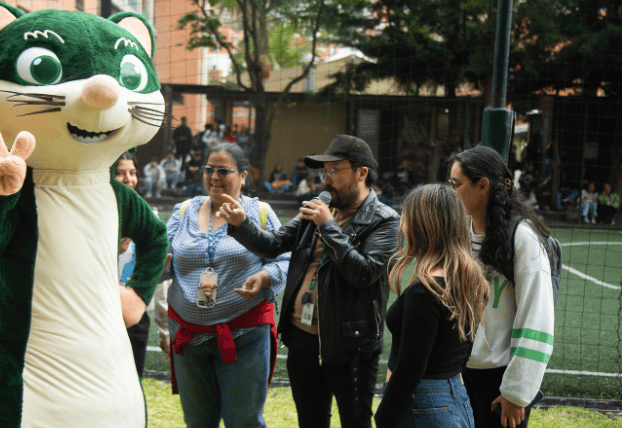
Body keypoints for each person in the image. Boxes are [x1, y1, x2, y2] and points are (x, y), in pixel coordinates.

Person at [218, 134, 400, 428]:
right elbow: (272, 245)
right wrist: (242, 225)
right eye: (323, 172)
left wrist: (327, 226)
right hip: (302, 339)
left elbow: (364, 273)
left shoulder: (385, 220)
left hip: (350, 345)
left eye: (334, 171)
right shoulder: (316, 209)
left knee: (355, 422)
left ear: (361, 173)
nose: (326, 180)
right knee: (310, 421)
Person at [164, 142, 289, 428]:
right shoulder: (184, 211)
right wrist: (160, 267)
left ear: (244, 176)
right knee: (197, 422)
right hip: (188, 336)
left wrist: (264, 277)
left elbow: (285, 259)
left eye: (224, 170)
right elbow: (164, 259)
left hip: (244, 336)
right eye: (209, 169)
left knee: (243, 421)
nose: (214, 176)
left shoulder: (259, 212)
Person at [449, 146, 554, 428]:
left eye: (456, 184)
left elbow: (538, 317)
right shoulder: (459, 231)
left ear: (482, 185)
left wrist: (517, 393)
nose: (451, 192)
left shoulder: (523, 238)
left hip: (501, 382)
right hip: (459, 376)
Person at [374, 184, 489, 428]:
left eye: (406, 220)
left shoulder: (425, 292)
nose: (402, 228)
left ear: (422, 227)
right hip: (456, 397)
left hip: (422, 406)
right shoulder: (468, 280)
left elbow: (410, 370)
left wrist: (383, 418)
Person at [113, 152, 151, 378]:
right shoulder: (96, 214)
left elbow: (153, 270)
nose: (128, 179)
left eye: (133, 172)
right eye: (120, 173)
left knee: (133, 380)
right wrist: (112, 250)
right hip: (101, 308)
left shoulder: (147, 216)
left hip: (134, 311)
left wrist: (164, 327)